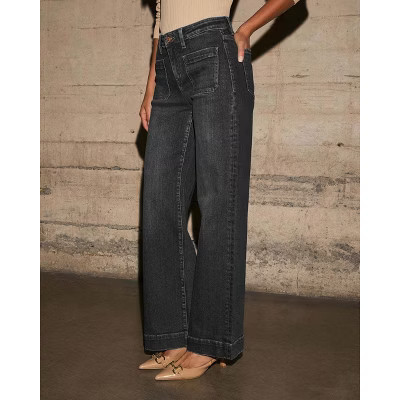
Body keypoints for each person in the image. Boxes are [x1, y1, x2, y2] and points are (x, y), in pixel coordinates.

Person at [138, 0, 300, 381]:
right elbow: (161, 17)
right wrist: (151, 83)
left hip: (212, 51)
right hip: (168, 64)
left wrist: (244, 30)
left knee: (218, 203)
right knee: (159, 203)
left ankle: (209, 343)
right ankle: (174, 336)